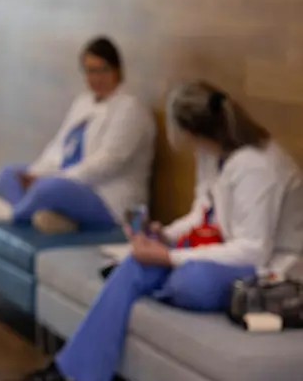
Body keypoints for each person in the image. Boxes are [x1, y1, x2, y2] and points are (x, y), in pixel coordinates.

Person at [20, 81, 303, 381]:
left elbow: (253, 249)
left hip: (269, 269)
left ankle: (155, 280)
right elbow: (202, 213)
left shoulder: (258, 165)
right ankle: (72, 372)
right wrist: (165, 234)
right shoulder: (211, 153)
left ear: (192, 131)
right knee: (138, 263)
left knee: (190, 282)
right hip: (227, 250)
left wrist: (169, 257)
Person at [0, 37, 156, 234]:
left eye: (102, 70)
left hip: (109, 199)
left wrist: (56, 179)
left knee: (49, 188)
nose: (96, 77)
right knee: (8, 174)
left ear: (117, 70)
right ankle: (52, 215)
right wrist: (36, 173)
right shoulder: (84, 102)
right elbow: (59, 147)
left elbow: (108, 163)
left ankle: (15, 214)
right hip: (69, 183)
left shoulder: (131, 108)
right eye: (90, 71)